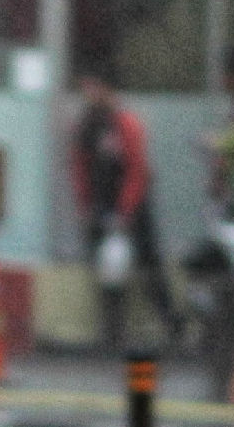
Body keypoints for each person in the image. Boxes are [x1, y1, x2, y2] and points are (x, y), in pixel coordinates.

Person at [71, 76, 182, 351]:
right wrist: (85, 206)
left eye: (96, 88)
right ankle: (111, 330)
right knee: (105, 267)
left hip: (133, 207)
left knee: (148, 265)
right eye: (87, 89)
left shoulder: (125, 124)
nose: (91, 94)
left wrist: (126, 210)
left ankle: (173, 325)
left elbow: (137, 170)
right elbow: (79, 167)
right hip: (100, 204)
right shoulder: (86, 125)